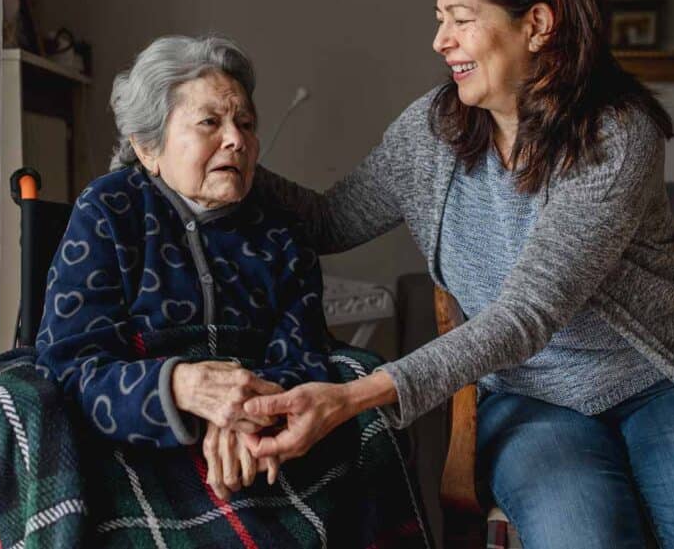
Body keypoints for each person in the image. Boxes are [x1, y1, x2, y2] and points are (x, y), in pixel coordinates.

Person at [243, 0, 674, 548]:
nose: (440, 41)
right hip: (532, 399)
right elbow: (326, 221)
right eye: (440, 20)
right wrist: (221, 155)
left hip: (663, 383)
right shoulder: (432, 131)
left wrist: (353, 397)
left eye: (461, 19)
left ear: (536, 24)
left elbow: (526, 314)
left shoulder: (615, 137)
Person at [33, 35, 430, 548]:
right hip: (136, 446)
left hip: (257, 451)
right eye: (210, 123)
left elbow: (303, 352)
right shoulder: (109, 210)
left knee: (359, 395)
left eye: (245, 124)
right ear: (147, 147)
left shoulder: (281, 231)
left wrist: (245, 415)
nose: (236, 140)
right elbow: (70, 362)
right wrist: (178, 387)